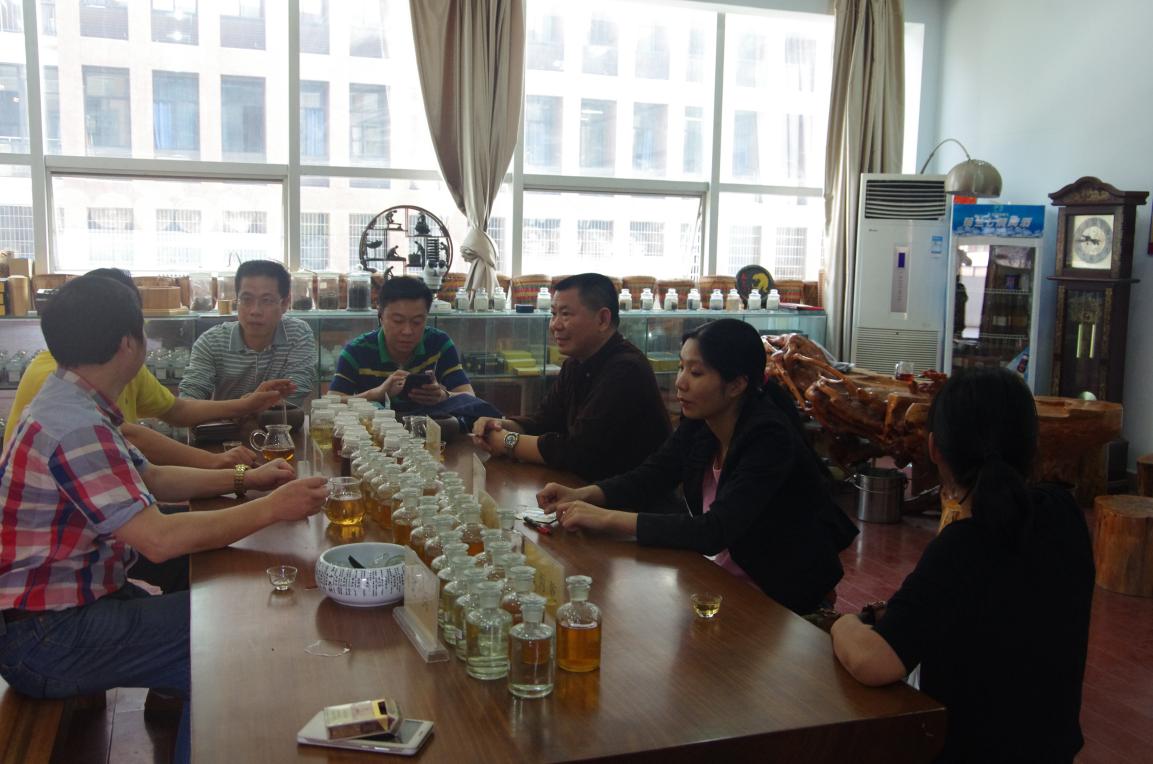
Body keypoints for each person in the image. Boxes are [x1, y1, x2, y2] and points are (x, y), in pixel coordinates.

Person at [0, 275, 329, 764]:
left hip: (57, 611)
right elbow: (157, 539)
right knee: (224, 636)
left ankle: (181, 704)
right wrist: (271, 508)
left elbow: (151, 476)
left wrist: (247, 479)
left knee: (216, 595)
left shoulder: (71, 401)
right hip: (47, 637)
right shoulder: (76, 426)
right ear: (127, 344)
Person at [830, 367, 1093, 763]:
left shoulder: (960, 547)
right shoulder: (1064, 514)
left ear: (934, 448)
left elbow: (874, 662)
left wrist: (844, 624)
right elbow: (999, 603)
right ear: (1033, 444)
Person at [537, 319, 853, 614]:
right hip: (722, 577)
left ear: (736, 385)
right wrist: (584, 495)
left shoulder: (769, 438)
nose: (680, 383)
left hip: (780, 595)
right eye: (681, 367)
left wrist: (606, 518)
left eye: (696, 373)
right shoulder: (702, 421)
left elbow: (714, 530)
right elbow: (652, 475)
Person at [4, 269, 288, 469]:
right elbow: (130, 436)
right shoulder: (58, 382)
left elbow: (177, 410)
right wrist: (216, 462)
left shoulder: (115, 366)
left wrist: (247, 404)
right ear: (126, 339)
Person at [472, 273, 670, 481]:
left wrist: (508, 442)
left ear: (603, 319)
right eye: (553, 313)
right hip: (584, 487)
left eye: (565, 314)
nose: (554, 325)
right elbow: (544, 422)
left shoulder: (626, 369)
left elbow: (579, 451)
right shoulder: (575, 363)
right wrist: (500, 425)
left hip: (630, 497)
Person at [179, 259, 317, 408]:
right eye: (246, 299)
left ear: (284, 303)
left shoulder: (297, 333)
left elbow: (296, 392)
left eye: (267, 300)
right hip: (226, 423)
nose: (255, 311)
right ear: (236, 300)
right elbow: (188, 402)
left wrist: (247, 406)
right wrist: (245, 405)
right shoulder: (211, 342)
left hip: (279, 422)